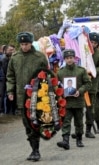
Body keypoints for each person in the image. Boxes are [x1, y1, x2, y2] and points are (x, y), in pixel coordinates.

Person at [6, 32, 48, 161]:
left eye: (27, 44)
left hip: (37, 95)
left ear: (31, 43)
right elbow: (10, 76)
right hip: (21, 96)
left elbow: (47, 74)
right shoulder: (15, 57)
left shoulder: (39, 57)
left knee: (35, 122)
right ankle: (34, 149)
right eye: (22, 44)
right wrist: (10, 91)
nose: (24, 47)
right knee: (27, 123)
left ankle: (36, 150)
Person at [56, 49, 91, 149]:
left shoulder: (81, 70)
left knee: (79, 122)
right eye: (67, 58)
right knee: (66, 121)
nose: (69, 60)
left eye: (71, 58)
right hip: (66, 102)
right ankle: (65, 140)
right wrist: (61, 93)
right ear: (64, 59)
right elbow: (57, 86)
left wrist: (79, 91)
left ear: (74, 58)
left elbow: (88, 84)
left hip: (78, 101)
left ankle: (79, 139)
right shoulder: (60, 72)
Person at [2, 45, 16, 115]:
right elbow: (6, 71)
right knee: (6, 96)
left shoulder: (13, 59)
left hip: (11, 80)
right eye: (10, 50)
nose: (12, 51)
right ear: (6, 51)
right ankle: (7, 111)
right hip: (6, 81)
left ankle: (12, 111)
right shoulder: (4, 59)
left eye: (13, 50)